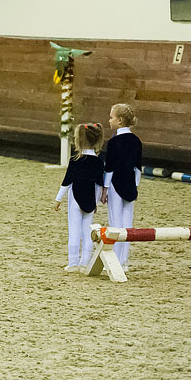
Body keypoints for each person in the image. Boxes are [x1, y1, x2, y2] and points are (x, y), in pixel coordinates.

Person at [53, 122, 104, 271]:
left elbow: (67, 182)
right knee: (87, 232)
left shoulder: (75, 160)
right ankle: (85, 263)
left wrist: (58, 199)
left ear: (79, 141)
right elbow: (99, 185)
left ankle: (73, 263)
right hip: (90, 199)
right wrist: (95, 202)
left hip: (75, 199)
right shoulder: (99, 162)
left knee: (74, 231)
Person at [100, 104, 142, 271]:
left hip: (115, 184)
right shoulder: (136, 141)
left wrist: (105, 188)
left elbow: (109, 168)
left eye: (111, 118)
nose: (109, 121)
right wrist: (136, 185)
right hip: (130, 184)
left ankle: (115, 260)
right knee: (127, 224)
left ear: (120, 120)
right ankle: (124, 261)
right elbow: (138, 168)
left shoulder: (113, 142)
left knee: (115, 223)